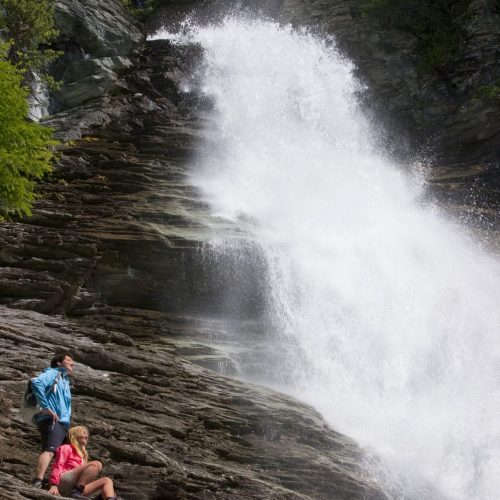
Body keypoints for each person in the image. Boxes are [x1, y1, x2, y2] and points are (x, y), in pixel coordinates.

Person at [30, 352, 74, 489]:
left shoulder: (65, 380)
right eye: (69, 360)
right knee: (49, 450)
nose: (72, 363)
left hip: (62, 423)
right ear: (59, 363)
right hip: (51, 419)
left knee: (68, 452)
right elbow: (36, 382)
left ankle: (57, 483)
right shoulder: (53, 373)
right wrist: (46, 407)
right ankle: (37, 480)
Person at [48, 426, 117, 500]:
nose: (87, 436)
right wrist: (54, 485)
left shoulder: (83, 455)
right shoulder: (66, 447)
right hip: (61, 483)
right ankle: (76, 492)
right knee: (96, 464)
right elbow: (58, 465)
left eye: (87, 435)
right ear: (75, 435)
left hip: (73, 488)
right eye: (84, 433)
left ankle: (78, 492)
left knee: (107, 481)